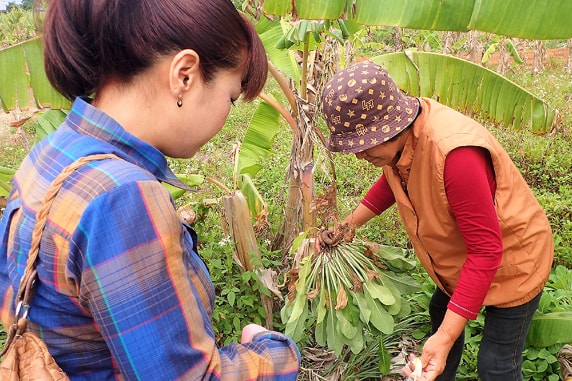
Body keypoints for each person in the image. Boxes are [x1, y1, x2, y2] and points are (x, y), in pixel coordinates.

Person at [0, 0, 300, 380]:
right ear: (185, 75)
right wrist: (274, 351)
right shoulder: (122, 198)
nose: (227, 114)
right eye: (230, 97)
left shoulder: (49, 154)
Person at [319, 61, 554, 381]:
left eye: (362, 146)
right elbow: (393, 179)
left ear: (388, 129)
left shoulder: (457, 157)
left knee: (496, 364)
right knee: (440, 311)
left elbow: (486, 252)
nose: (359, 156)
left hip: (514, 264)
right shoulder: (402, 140)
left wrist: (444, 338)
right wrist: (350, 225)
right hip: (462, 260)